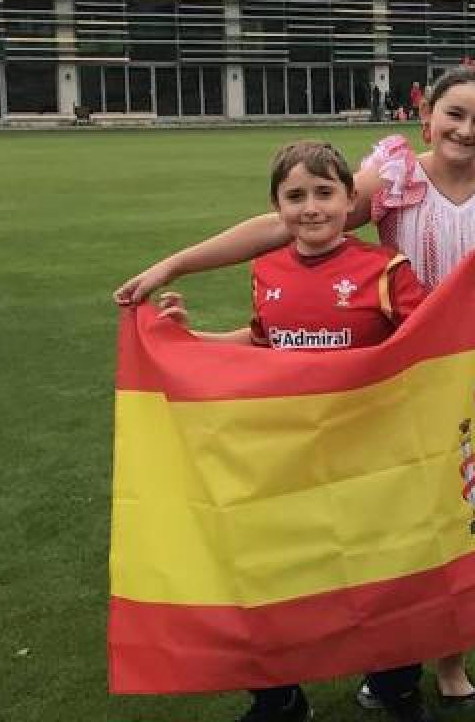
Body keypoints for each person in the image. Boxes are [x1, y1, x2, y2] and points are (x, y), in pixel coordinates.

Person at [114, 65, 475, 708]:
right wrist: (173, 269)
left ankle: (442, 661)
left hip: (470, 363)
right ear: (426, 116)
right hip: (395, 379)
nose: (465, 129)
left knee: (455, 518)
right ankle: (368, 668)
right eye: (454, 114)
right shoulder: (393, 179)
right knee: (388, 527)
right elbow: (289, 231)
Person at [149, 141, 431, 722]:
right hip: (287, 456)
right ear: (276, 206)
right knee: (278, 571)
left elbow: (436, 337)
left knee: (383, 579)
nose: (311, 208)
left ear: (351, 198)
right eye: (295, 196)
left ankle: (396, 688)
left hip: (369, 458)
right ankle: (278, 696)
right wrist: (186, 339)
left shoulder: (385, 269)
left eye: (325, 193)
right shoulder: (267, 270)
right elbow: (261, 342)